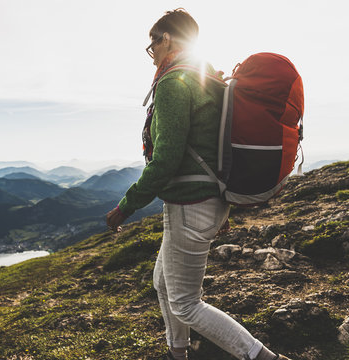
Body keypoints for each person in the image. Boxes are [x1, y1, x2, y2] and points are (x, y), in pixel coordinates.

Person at [105, 8, 292, 360]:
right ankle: (179, 351)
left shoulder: (175, 82)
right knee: (163, 283)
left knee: (187, 304)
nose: (152, 54)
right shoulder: (205, 77)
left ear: (168, 39)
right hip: (202, 201)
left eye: (153, 45)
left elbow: (167, 158)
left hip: (191, 204)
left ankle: (266, 358)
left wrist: (125, 206)